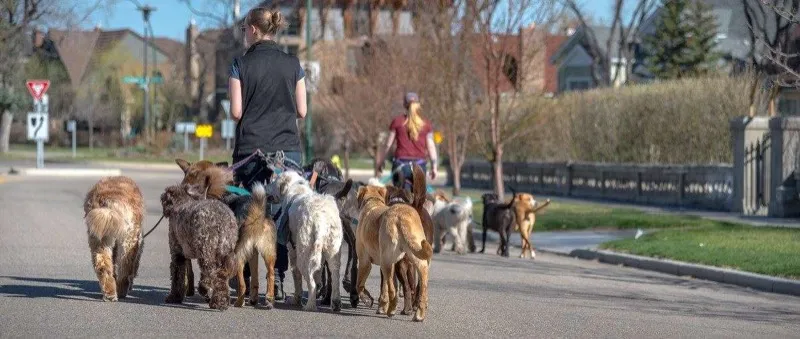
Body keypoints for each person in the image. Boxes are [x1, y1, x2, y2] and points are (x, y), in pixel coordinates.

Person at [228, 7, 307, 301]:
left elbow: (236, 112)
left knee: (248, 213)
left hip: (251, 151)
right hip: (288, 152)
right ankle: (280, 279)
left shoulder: (240, 64)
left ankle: (247, 281)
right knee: (282, 217)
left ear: (252, 30)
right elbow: (302, 110)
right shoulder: (293, 64)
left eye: (243, 30)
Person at [375, 92, 438, 190]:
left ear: (404, 105)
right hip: (419, 167)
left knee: (400, 199)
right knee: (418, 201)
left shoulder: (397, 122)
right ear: (418, 105)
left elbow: (388, 144)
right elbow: (431, 146)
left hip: (400, 166)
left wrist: (381, 162)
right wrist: (434, 166)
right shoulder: (426, 124)